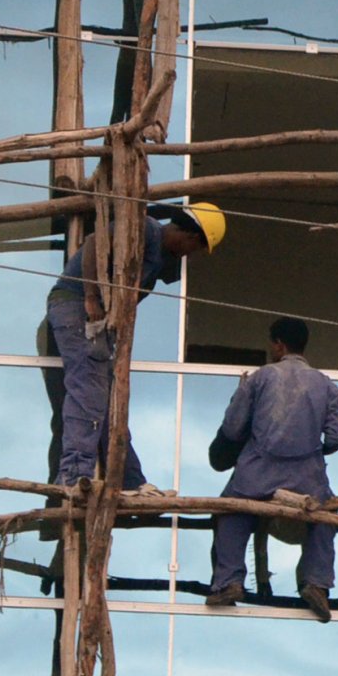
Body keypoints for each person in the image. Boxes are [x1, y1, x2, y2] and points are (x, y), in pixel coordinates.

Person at [42, 200, 226, 487]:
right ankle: (73, 474)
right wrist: (91, 297)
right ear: (191, 238)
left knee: (108, 401)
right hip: (74, 304)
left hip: (98, 319)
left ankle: (129, 479)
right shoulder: (144, 230)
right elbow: (93, 245)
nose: (191, 255)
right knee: (87, 392)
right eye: (196, 248)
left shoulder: (163, 257)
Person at [207, 318, 338, 622]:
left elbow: (232, 428)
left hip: (256, 474)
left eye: (271, 344)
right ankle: (317, 584)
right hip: (307, 479)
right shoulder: (326, 385)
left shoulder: (260, 378)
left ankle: (228, 582)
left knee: (229, 512)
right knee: (325, 517)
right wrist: (311, 453)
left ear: (279, 344)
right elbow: (336, 438)